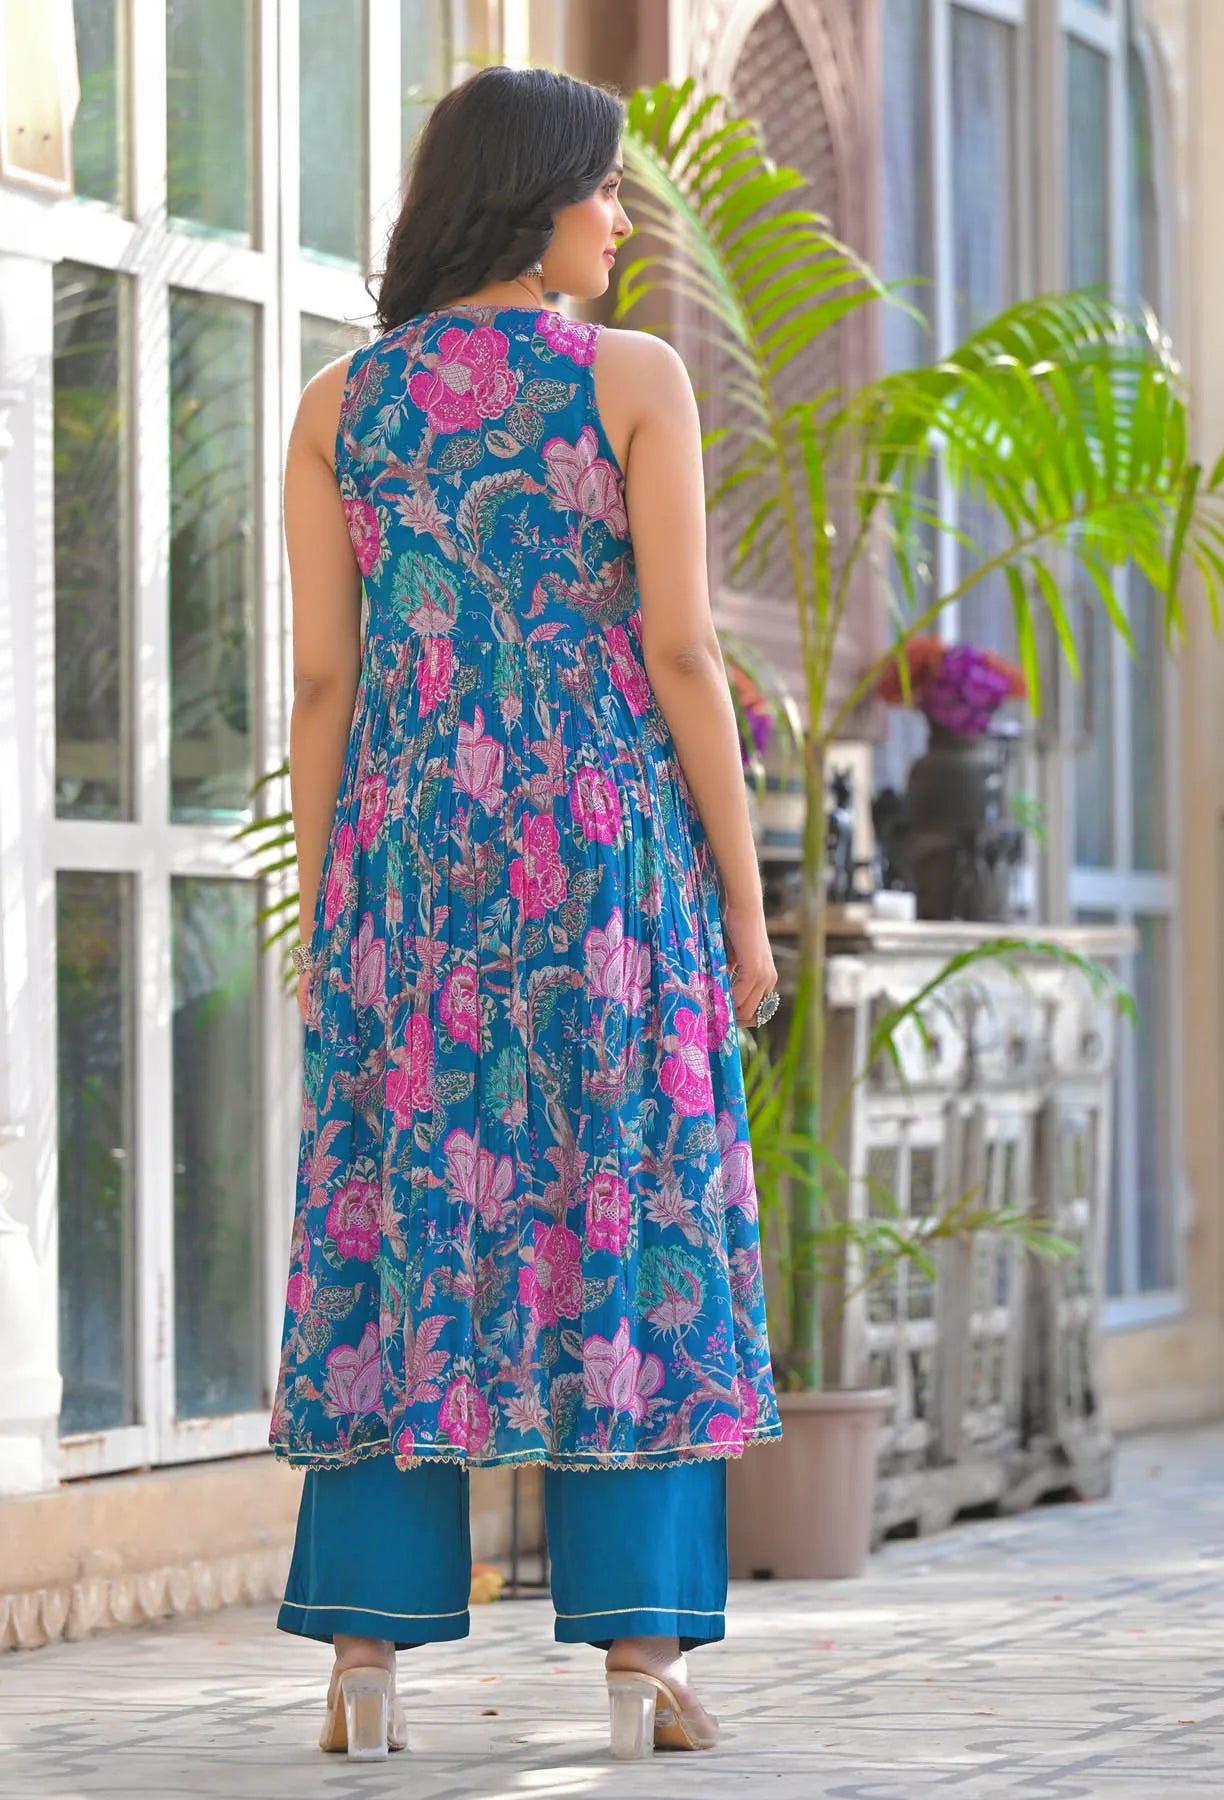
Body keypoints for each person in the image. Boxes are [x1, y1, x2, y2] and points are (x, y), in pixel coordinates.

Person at [269, 62, 783, 1763]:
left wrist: (332, 908)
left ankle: (364, 1663)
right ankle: (645, 1664)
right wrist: (745, 906)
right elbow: (683, 653)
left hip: (409, 866)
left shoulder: (338, 405)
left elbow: (326, 684)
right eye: (606, 189)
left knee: (391, 1222)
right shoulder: (628, 378)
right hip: (601, 861)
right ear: (537, 198)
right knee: (630, 1215)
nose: (621, 220)